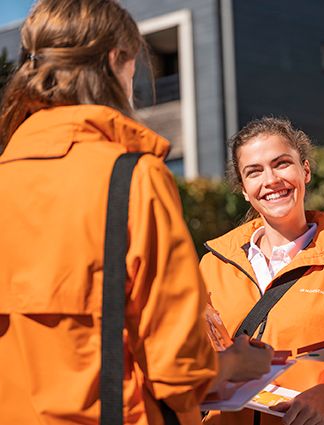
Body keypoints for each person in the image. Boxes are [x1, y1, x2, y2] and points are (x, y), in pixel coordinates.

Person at [0, 1, 272, 424]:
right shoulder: (132, 178)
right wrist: (236, 363)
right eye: (134, 66)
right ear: (115, 62)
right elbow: (179, 369)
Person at [200, 117, 324, 425]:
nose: (271, 180)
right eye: (254, 171)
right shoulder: (211, 266)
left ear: (305, 170)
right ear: (243, 189)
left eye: (281, 164)